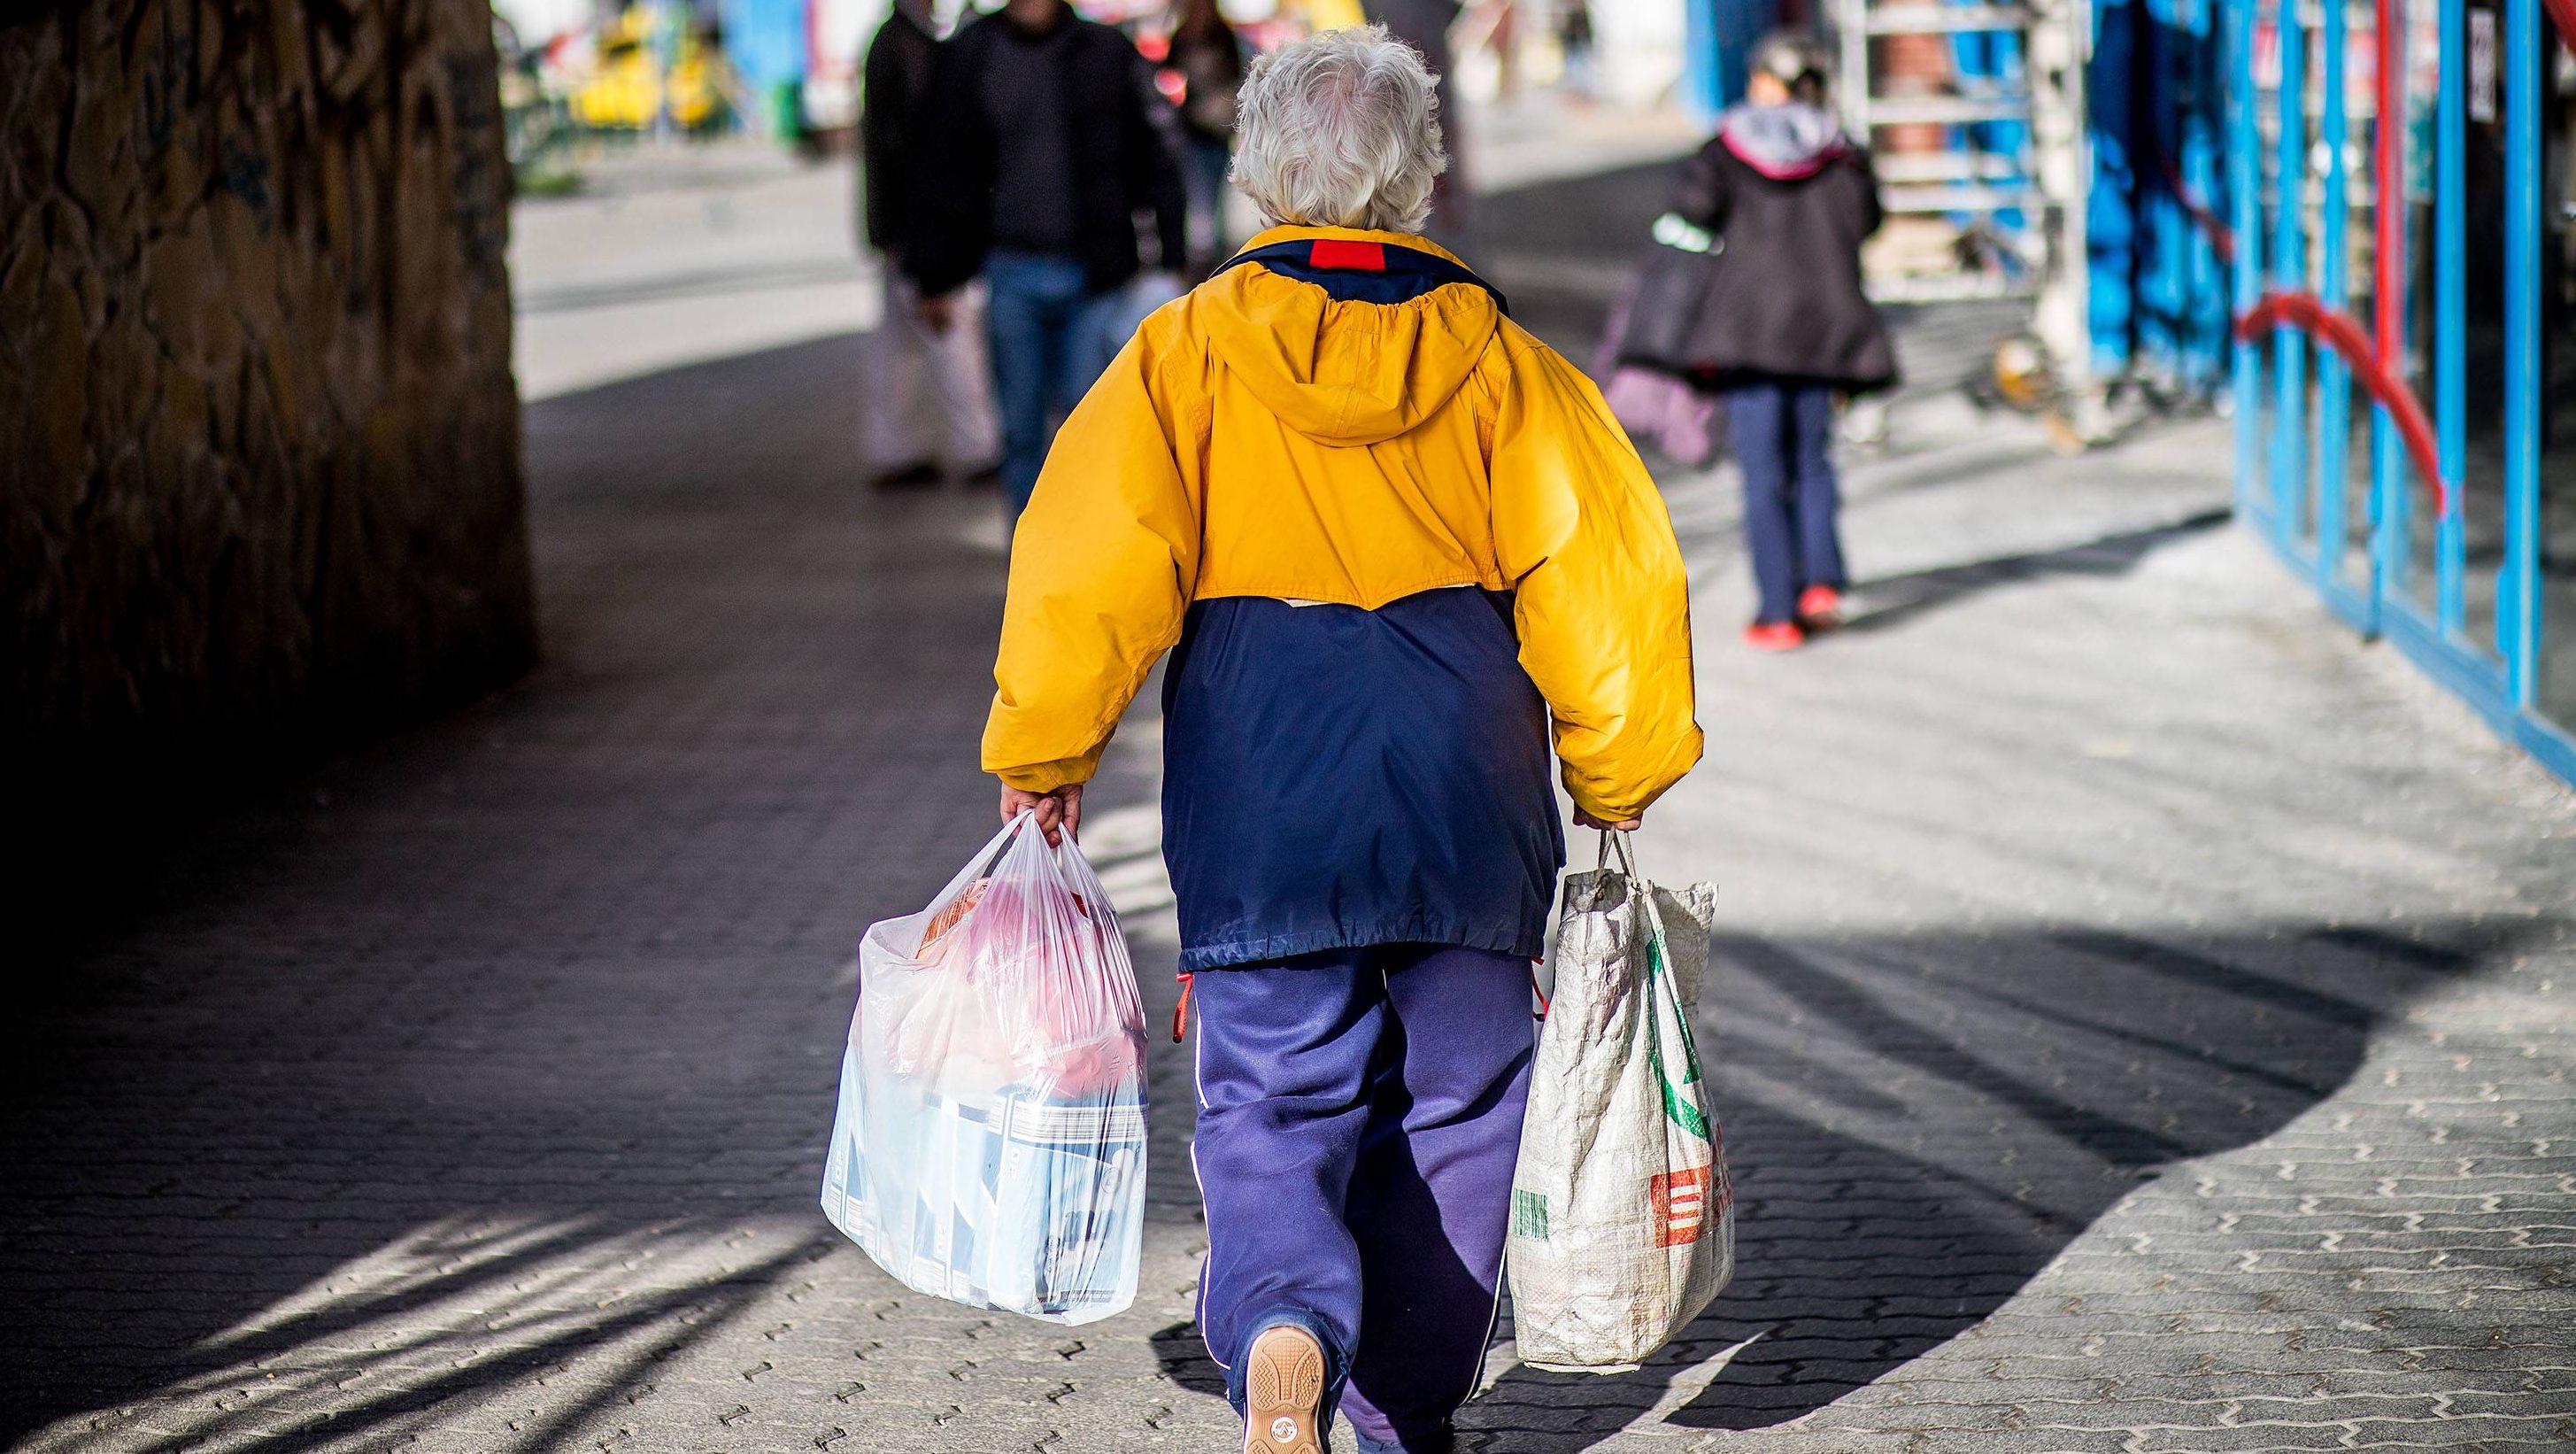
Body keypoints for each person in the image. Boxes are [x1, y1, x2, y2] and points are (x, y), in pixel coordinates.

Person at [979, 27, 1701, 1454]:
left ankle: (1286, 1328)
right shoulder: (1502, 361)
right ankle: (1399, 1411)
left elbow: (1085, 560)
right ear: (1420, 177)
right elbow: (1605, 574)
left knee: (1270, 1081)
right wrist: (1617, 772)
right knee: (1462, 1096)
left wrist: (1044, 752)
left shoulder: (1182, 354)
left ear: (1254, 173)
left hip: (1264, 763)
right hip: (1462, 758)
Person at [904, 0, 1191, 520]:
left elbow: (1156, 158)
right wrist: (933, 274)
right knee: (1020, 430)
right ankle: (1032, 556)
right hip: (1010, 272)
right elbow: (939, 169)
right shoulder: (972, 54)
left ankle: (1087, 556)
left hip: (1093, 277)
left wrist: (1172, 257)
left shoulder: (1106, 53)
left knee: (1091, 426)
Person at [1671, 32, 1894, 651]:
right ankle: (1821, 584)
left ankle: (1777, 611)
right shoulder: (1843, 152)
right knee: (1813, 461)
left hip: (1748, 335)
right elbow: (1869, 221)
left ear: (1769, 84)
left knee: (1763, 473)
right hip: (1825, 329)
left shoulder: (1726, 149)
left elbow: (1692, 210)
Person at [858, 0, 1001, 490]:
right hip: (915, 228)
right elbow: (912, 152)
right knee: (947, 333)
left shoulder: (899, 41)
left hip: (903, 226)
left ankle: (892, 446)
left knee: (898, 343)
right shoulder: (905, 45)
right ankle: (978, 445)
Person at [1166, 0, 1246, 271]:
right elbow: (1167, 72)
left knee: (1216, 191)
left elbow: (1236, 76)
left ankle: (1215, 250)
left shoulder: (1222, 36)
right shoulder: (1182, 36)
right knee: (1198, 191)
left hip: (1217, 129)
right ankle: (1203, 249)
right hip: (1194, 130)